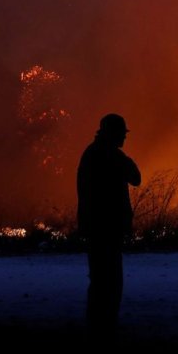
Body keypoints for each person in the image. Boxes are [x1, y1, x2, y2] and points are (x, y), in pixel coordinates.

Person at [76, 113, 141, 340]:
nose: (124, 137)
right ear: (112, 133)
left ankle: (98, 328)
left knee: (100, 280)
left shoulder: (91, 154)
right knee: (110, 282)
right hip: (107, 228)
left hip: (97, 227)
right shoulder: (111, 156)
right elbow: (136, 177)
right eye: (122, 133)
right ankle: (103, 330)